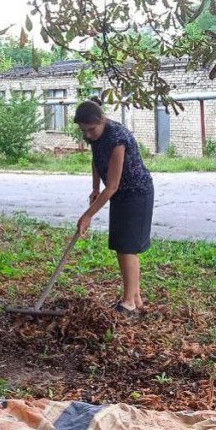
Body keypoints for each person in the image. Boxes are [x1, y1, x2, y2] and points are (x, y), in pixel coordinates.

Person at [74, 98, 155, 316]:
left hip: (136, 192)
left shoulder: (118, 138)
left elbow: (112, 186)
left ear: (102, 120)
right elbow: (96, 159)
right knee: (121, 245)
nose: (88, 135)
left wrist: (87, 215)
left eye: (91, 130)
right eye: (84, 131)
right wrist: (93, 188)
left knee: (127, 247)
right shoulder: (96, 136)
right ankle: (135, 298)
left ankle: (128, 302)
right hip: (121, 194)